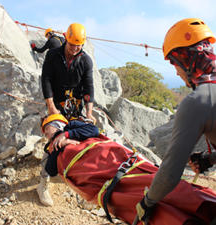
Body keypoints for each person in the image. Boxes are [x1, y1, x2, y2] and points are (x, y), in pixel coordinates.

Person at [41, 114, 216, 225]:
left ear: (57, 123)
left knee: (151, 182)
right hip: (95, 179)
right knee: (136, 203)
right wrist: (56, 146)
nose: (47, 133)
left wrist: (67, 135)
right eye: (45, 132)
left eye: (48, 128)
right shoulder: (51, 150)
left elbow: (92, 129)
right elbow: (51, 169)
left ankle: (204, 206)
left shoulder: (74, 127)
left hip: (112, 160)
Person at [135, 18, 216, 224]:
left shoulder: (198, 101)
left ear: (186, 60)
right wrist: (210, 159)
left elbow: (170, 173)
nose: (176, 72)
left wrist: (147, 202)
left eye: (174, 63)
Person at [37, 23, 96, 206]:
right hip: (56, 101)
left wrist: (89, 112)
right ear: (66, 39)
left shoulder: (85, 61)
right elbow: (45, 79)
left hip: (75, 105)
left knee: (84, 136)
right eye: (72, 45)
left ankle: (73, 175)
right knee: (54, 136)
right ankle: (43, 182)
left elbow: (88, 86)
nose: (75, 49)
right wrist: (51, 107)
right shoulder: (54, 55)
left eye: (78, 46)